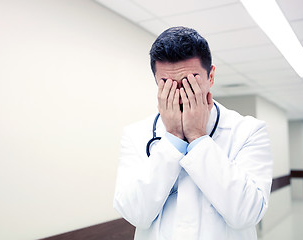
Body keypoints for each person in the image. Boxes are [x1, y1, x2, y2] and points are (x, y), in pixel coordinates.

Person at [113, 26, 273, 240]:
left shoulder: (248, 131)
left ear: (211, 76)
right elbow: (136, 214)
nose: (180, 94)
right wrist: (172, 139)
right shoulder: (135, 135)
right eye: (168, 84)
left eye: (190, 82)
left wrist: (198, 137)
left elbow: (246, 214)